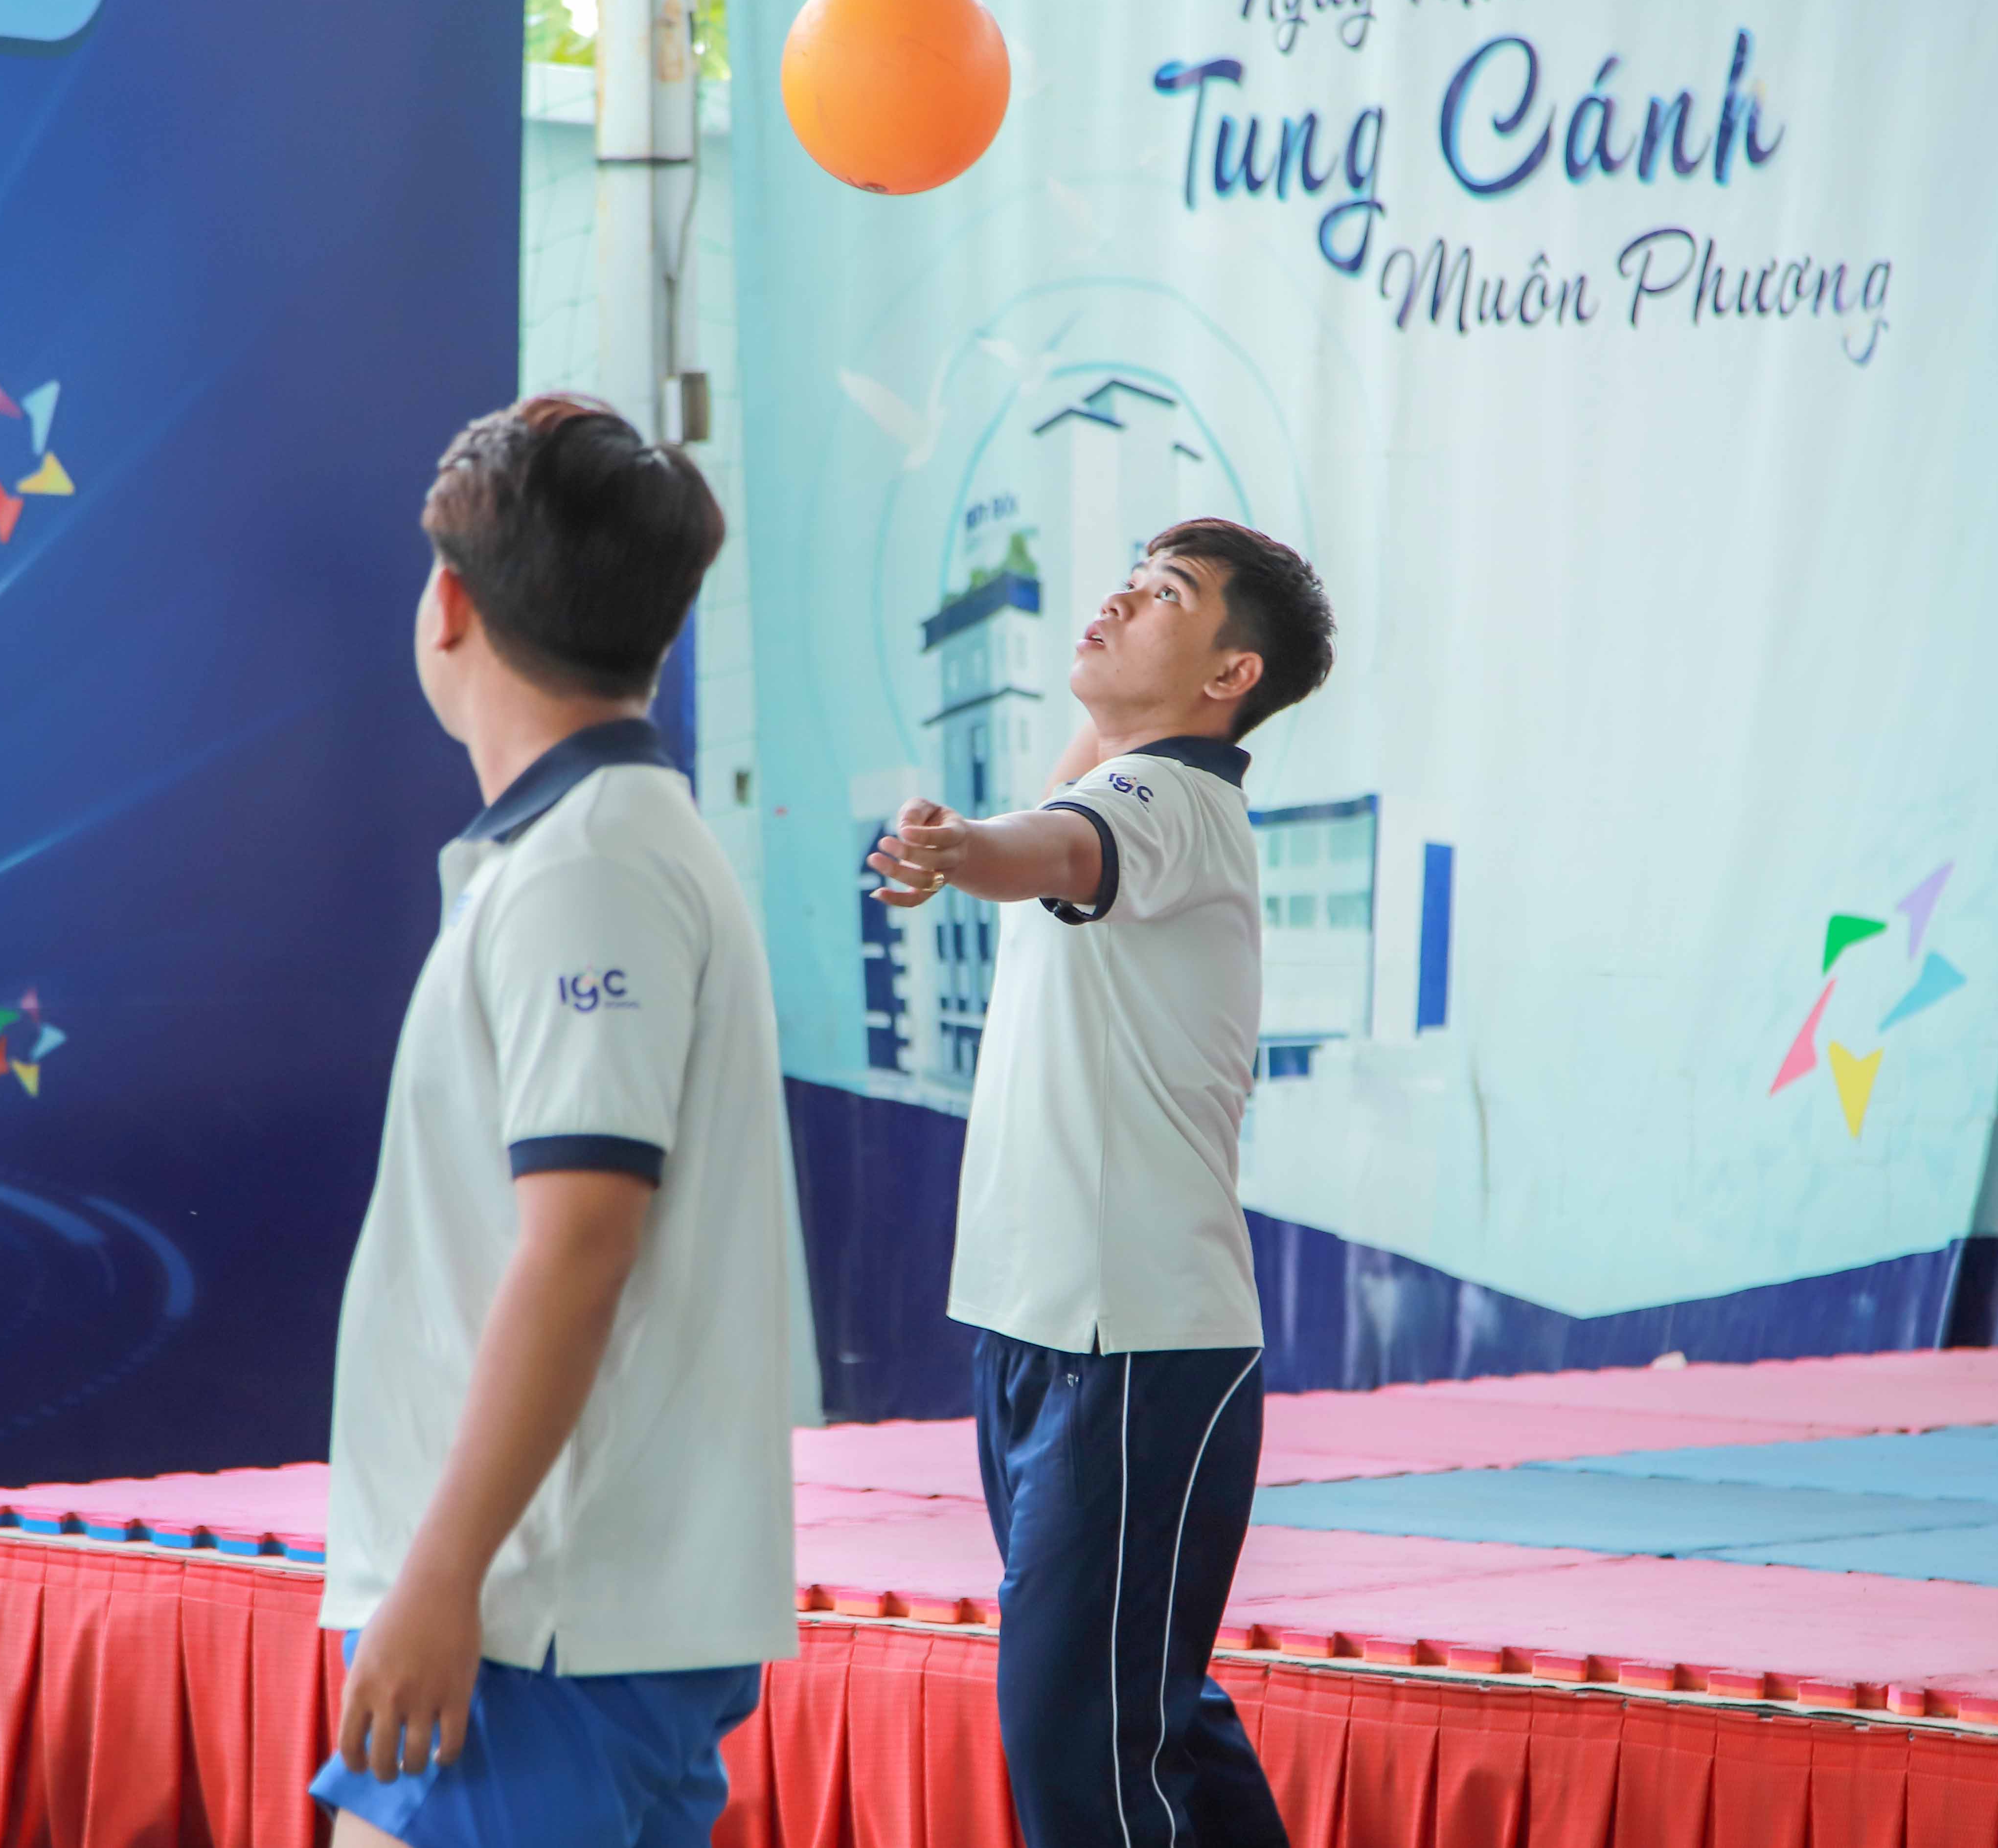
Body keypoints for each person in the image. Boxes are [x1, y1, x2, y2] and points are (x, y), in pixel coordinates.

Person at [315, 395, 794, 1848]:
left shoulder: (591, 869)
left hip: (542, 1623)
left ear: (450, 606)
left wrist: (443, 1576)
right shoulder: (591, 849)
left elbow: (582, 1243)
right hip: (557, 1615)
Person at [866, 518, 1336, 1848]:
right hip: (1042, 1328)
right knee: (1140, 1715)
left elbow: (1050, 849)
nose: (1119, 602)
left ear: (1231, 675)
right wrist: (968, 835)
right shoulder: (1125, 770)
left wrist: (958, 850)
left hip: (1130, 1345)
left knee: (1082, 1751)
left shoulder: (1172, 801)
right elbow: (1046, 813)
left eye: (1165, 594)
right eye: (1126, 581)